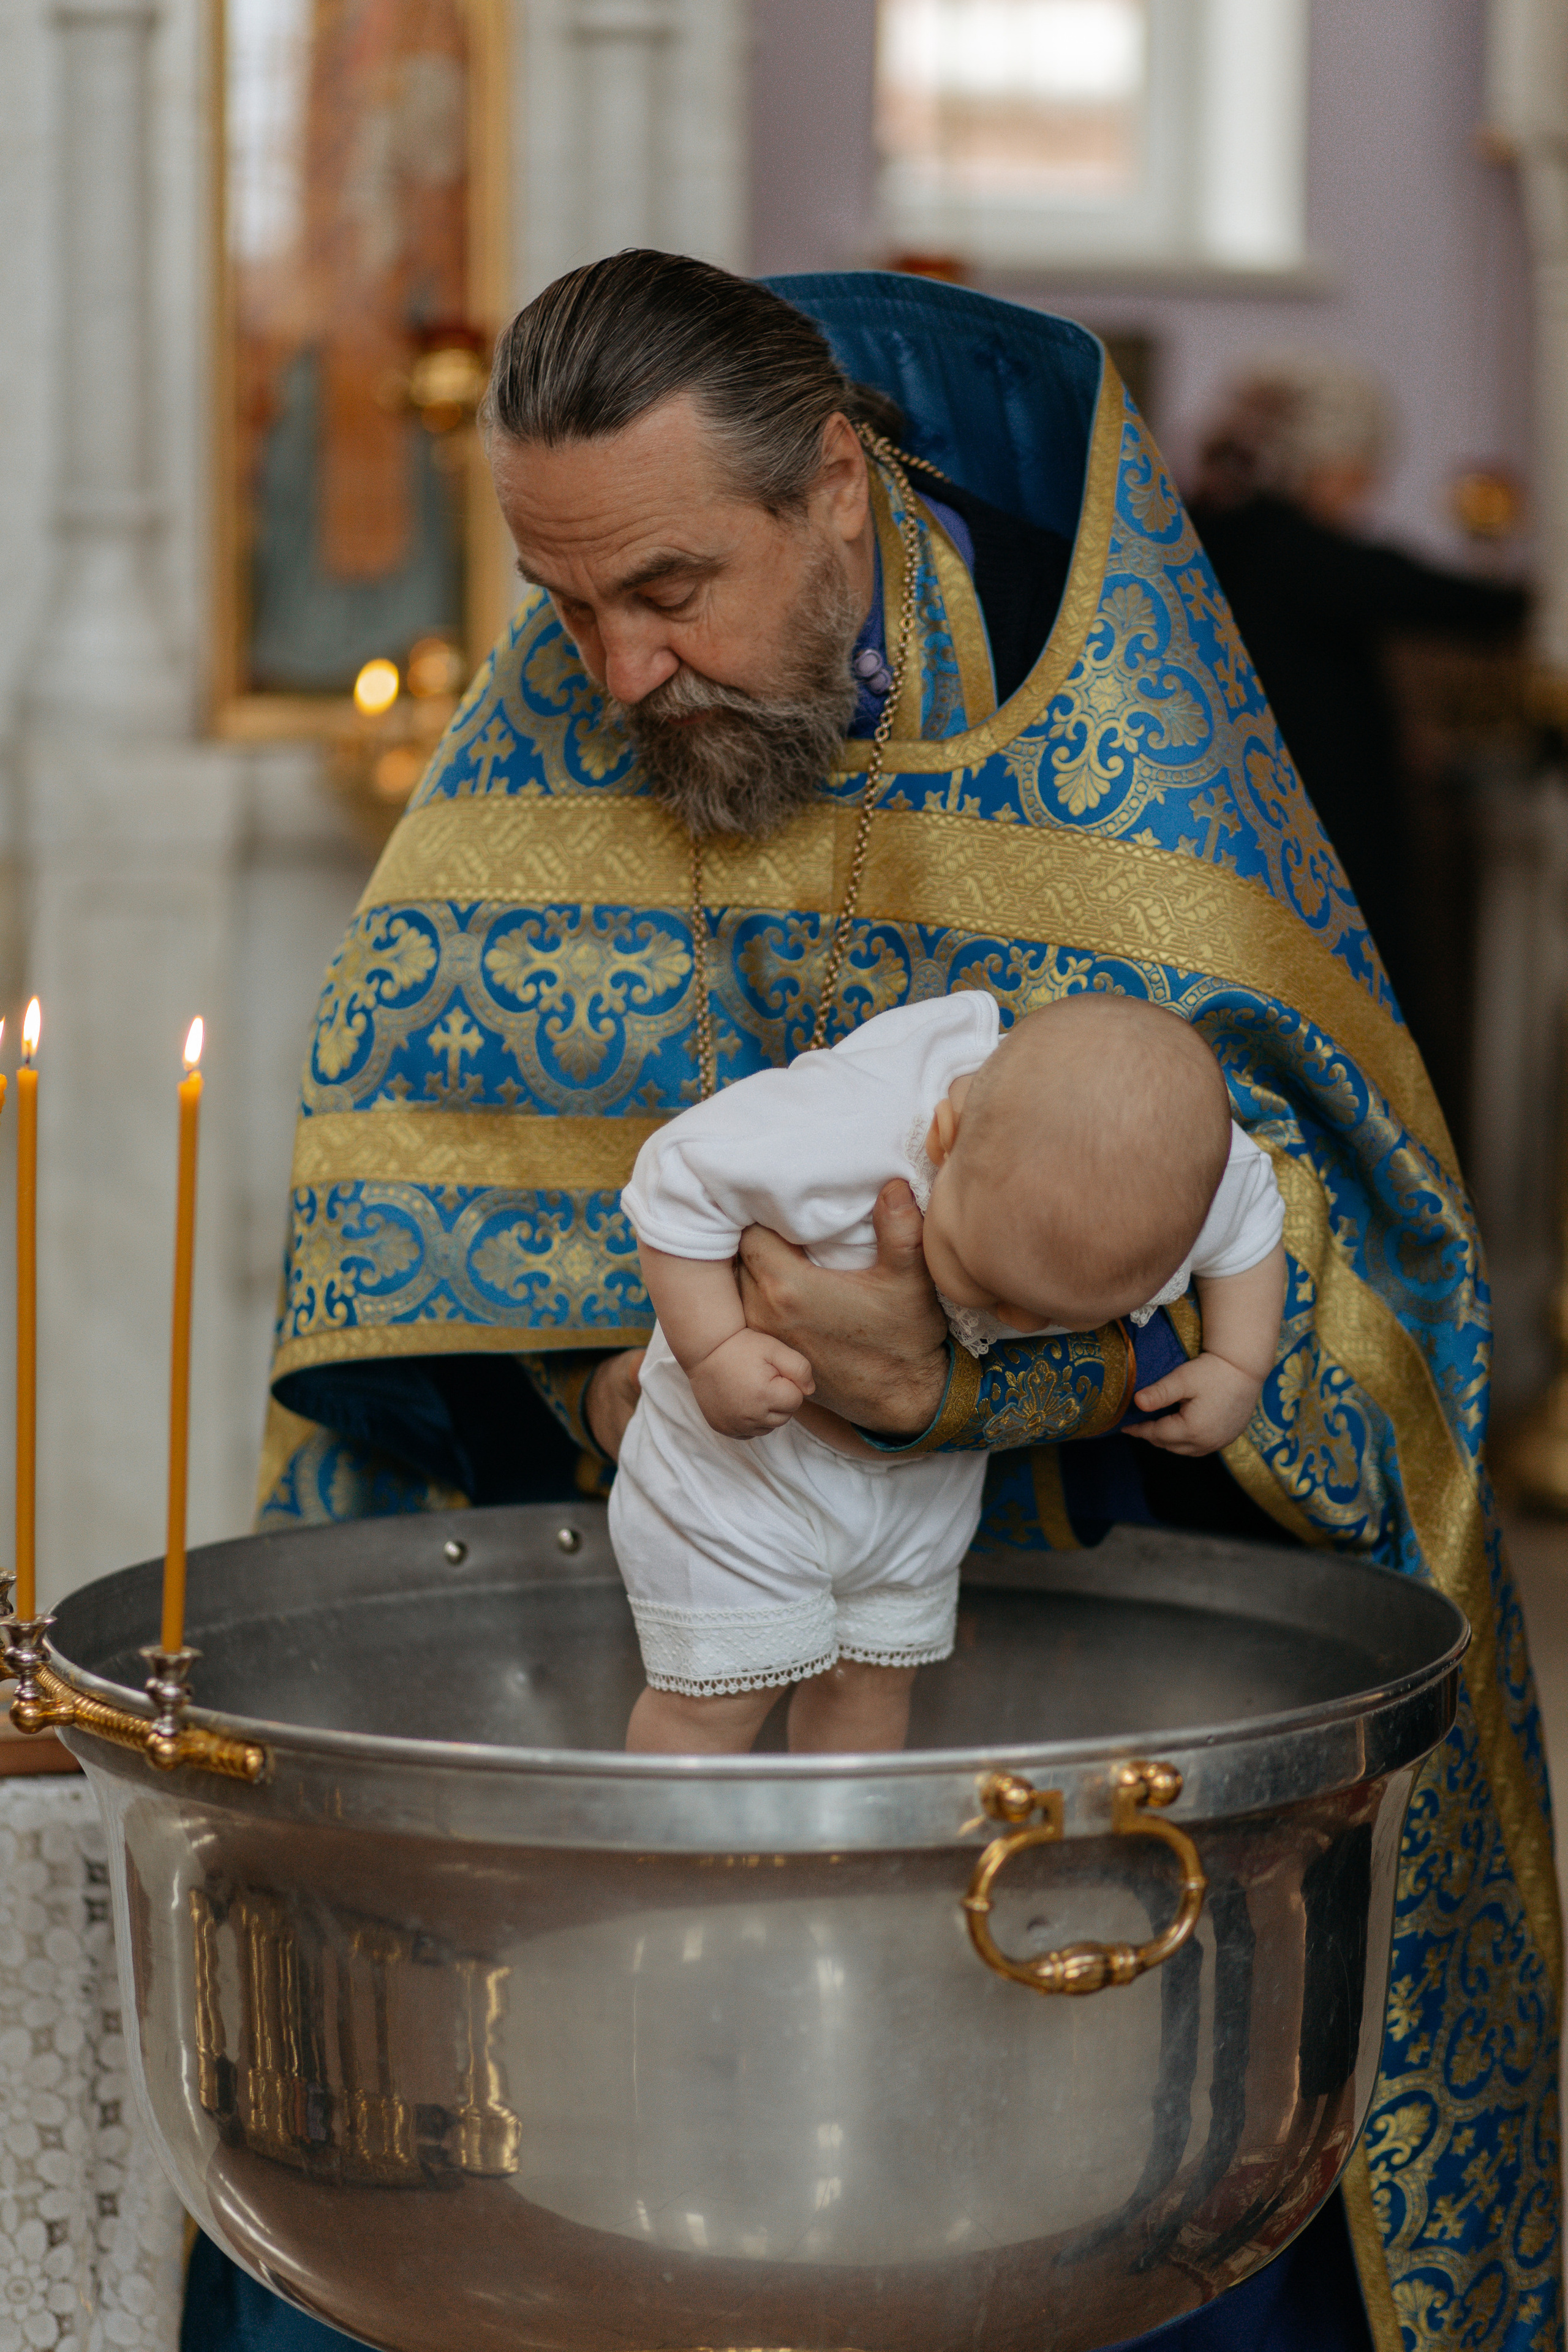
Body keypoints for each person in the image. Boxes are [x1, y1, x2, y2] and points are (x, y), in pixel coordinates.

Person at [187, 257, 1560, 2351]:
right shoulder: (567, 731)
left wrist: (1002, 1382)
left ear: (836, 488)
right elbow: (407, 1262)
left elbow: (1364, 1299)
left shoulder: (1114, 745)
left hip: (1095, 1782)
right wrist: (629, 1370)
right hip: (675, 1670)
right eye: (564, 606)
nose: (621, 672)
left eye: (670, 587)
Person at [615, 991, 1285, 1754]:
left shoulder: (1182, 1172)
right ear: (946, 1134)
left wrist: (1238, 1363)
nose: (1023, 1326)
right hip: (740, 1470)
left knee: (873, 1681)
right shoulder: (846, 1124)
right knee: (720, 1698)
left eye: (1057, 1313)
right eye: (989, 1281)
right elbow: (678, 1178)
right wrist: (714, 1350)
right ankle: (667, 1863)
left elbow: (1253, 1224)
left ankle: (841, 1858)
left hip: (922, 1486)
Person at [1188, 353, 1528, 1013]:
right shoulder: (1288, 550)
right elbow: (1444, 599)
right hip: (1321, 840)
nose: (1369, 489)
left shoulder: (1228, 534)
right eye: (1362, 470)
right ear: (1324, 462)